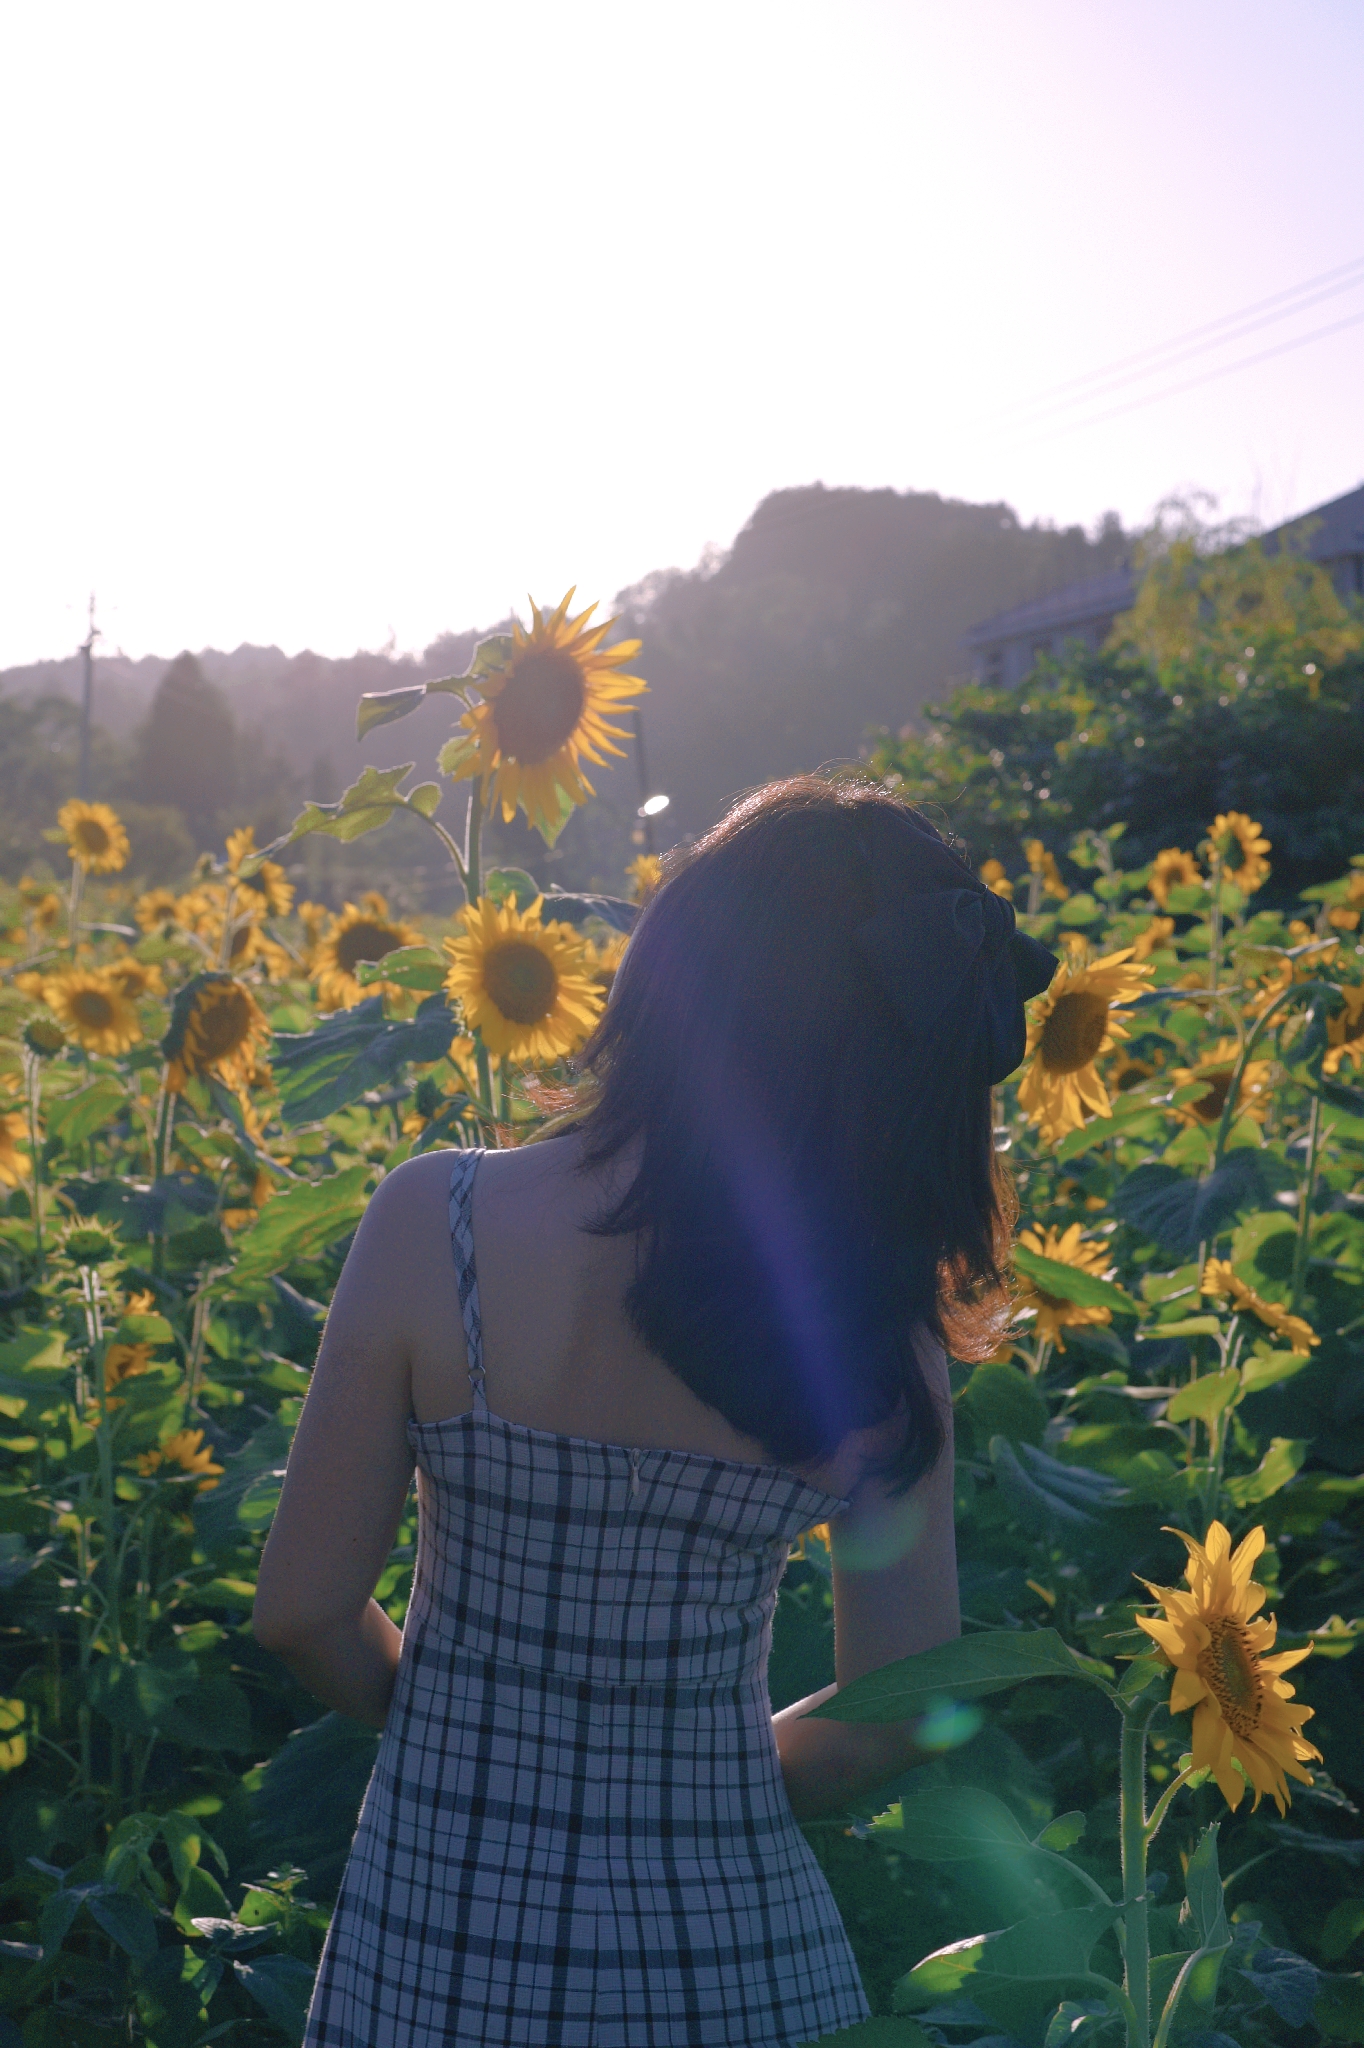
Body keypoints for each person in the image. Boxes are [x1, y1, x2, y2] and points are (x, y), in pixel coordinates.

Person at [253, 775, 1056, 2048]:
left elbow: (301, 1608)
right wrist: (698, 1771)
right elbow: (903, 1702)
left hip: (438, 1950)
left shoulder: (436, 1222)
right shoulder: (874, 1322)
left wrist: (463, 1722)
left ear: (672, 973)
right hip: (738, 1967)